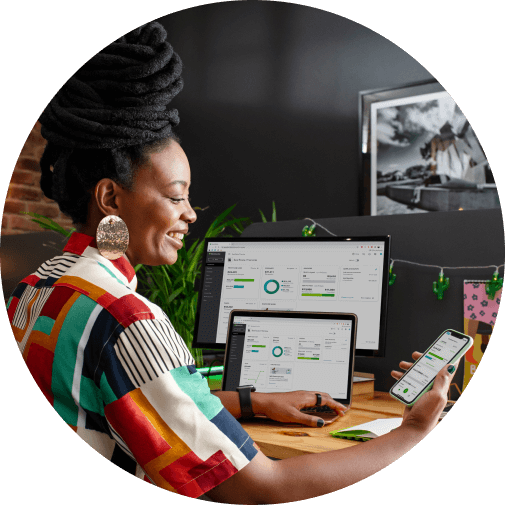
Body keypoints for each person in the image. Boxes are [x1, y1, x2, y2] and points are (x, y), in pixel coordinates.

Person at [7, 21, 457, 504]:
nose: (189, 214)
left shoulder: (35, 289)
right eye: (177, 196)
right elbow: (262, 490)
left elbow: (123, 399)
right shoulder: (126, 320)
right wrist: (412, 432)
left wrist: (253, 400)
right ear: (111, 197)